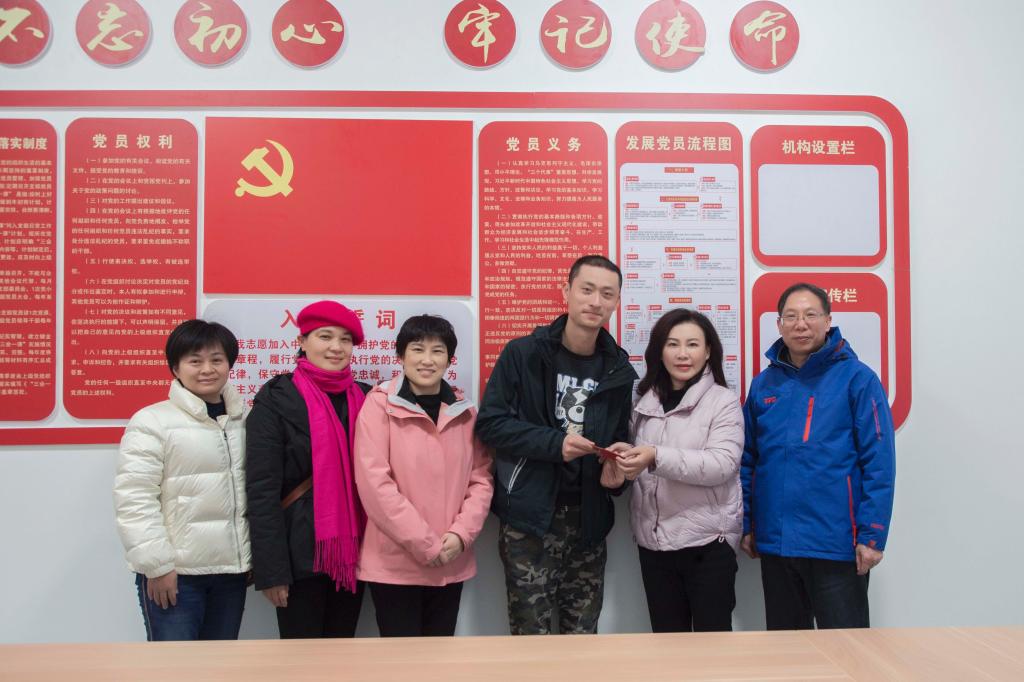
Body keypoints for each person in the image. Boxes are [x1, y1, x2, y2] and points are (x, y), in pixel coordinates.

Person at [475, 254, 638, 635]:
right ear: (566, 291)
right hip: (529, 520)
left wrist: (618, 477)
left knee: (582, 638)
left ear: (616, 302)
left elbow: (619, 439)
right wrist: (555, 443)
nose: (595, 301)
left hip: (589, 522)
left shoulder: (618, 369)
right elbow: (491, 424)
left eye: (607, 294)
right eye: (587, 289)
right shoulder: (524, 353)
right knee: (530, 637)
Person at [741, 282, 896, 630]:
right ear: (779, 324)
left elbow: (879, 464)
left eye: (811, 315)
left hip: (836, 544)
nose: (801, 324)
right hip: (777, 544)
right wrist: (748, 524)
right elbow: (749, 460)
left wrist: (872, 537)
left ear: (828, 321)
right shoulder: (764, 385)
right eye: (791, 316)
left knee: (845, 649)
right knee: (786, 649)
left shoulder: (858, 379)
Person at [354, 315, 493, 637]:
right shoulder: (379, 406)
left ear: (449, 359)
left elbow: (481, 480)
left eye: (438, 351)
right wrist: (425, 544)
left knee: (440, 656)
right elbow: (375, 484)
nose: (427, 360)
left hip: (450, 557)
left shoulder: (465, 412)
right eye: (417, 349)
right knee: (402, 659)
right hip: (395, 565)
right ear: (401, 356)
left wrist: (461, 535)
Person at [608, 308, 743, 632]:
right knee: (667, 646)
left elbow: (722, 464)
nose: (683, 354)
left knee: (713, 647)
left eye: (693, 344)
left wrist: (655, 456)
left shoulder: (723, 401)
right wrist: (622, 464)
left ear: (708, 351)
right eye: (673, 344)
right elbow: (640, 468)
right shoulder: (644, 404)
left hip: (708, 545)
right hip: (654, 546)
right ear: (659, 351)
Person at [114, 319, 250, 641]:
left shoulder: (245, 420)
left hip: (231, 574)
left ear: (229, 364)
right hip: (177, 575)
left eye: (217, 359)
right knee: (174, 665)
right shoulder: (152, 421)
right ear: (176, 368)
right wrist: (157, 566)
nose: (207, 369)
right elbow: (135, 498)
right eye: (195, 361)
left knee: (221, 664)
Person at [245, 300, 370, 638]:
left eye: (345, 339)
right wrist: (272, 571)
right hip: (298, 555)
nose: (336, 347)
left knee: (342, 652)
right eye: (325, 336)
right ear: (302, 341)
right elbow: (261, 488)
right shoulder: (276, 398)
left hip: (354, 552)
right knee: (300, 658)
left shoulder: (366, 397)